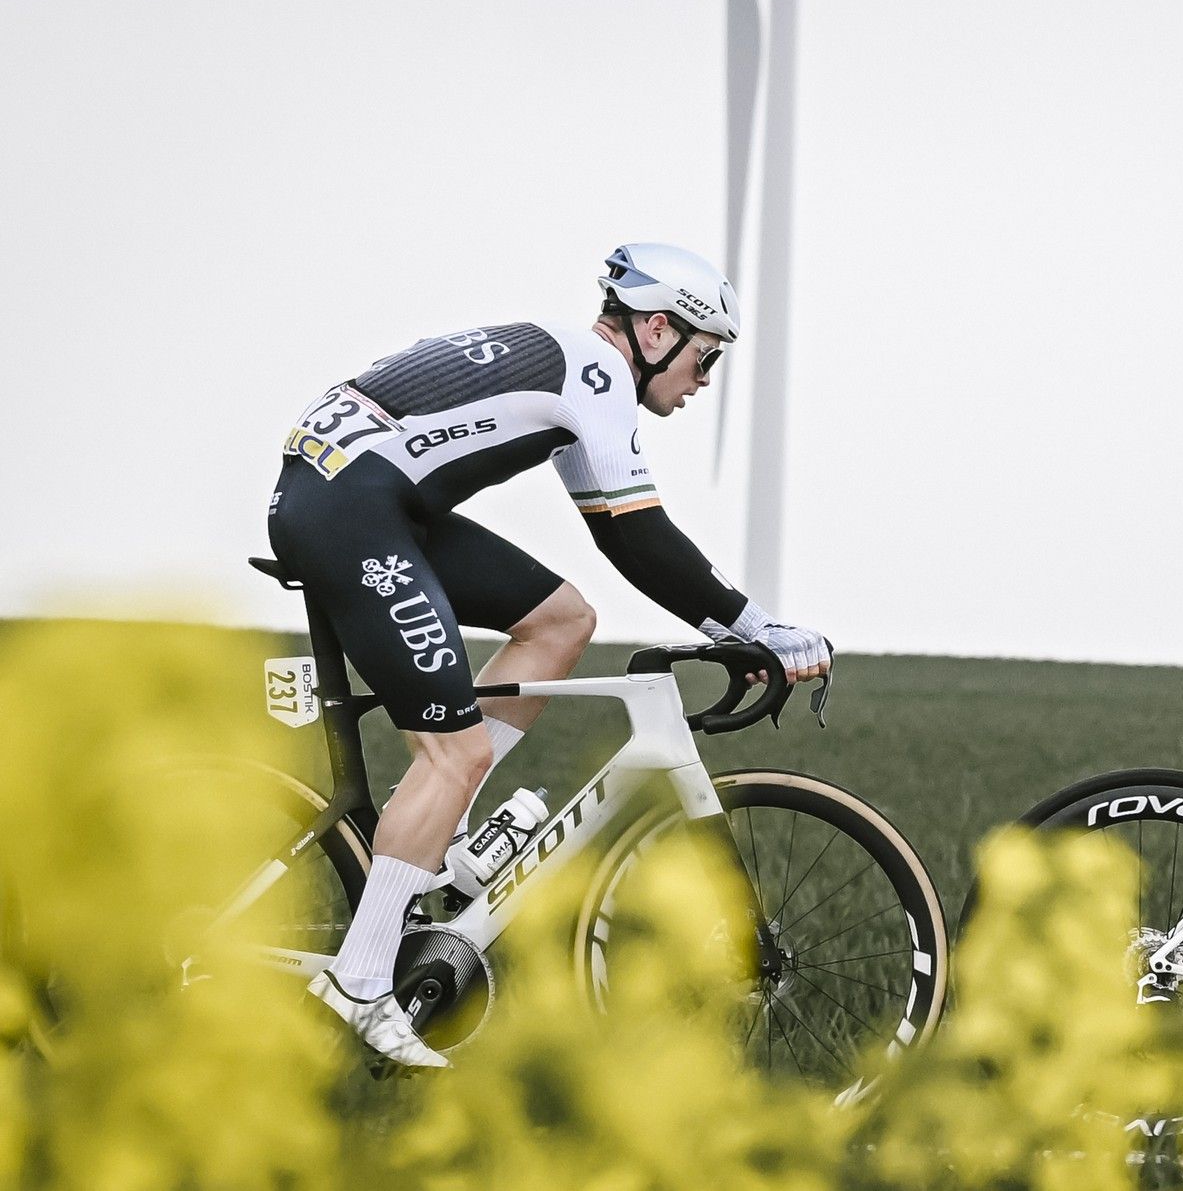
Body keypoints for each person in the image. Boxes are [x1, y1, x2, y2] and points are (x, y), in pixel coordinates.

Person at [267, 243, 831, 1068]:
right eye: (704, 357)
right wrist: (755, 625)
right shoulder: (597, 377)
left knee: (562, 621)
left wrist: (734, 625)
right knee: (454, 751)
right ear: (653, 328)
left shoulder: (575, 374)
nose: (704, 380)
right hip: (350, 508)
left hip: (367, 492)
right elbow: (643, 535)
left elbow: (617, 531)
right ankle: (358, 983)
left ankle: (436, 837)